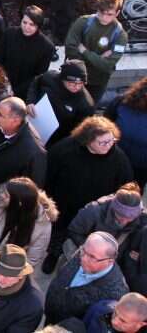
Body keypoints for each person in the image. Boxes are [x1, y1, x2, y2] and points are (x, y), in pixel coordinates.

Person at [44, 116, 133, 273]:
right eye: (103, 142)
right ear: (88, 141)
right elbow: (48, 175)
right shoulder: (65, 150)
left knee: (84, 239)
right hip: (64, 206)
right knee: (58, 233)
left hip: (94, 213)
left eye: (112, 140)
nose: (109, 145)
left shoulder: (118, 158)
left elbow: (126, 186)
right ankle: (53, 255)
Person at [0, 176, 56, 271]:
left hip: (6, 275)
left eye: (7, 195)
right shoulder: (0, 202)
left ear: (19, 203)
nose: (1, 196)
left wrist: (4, 275)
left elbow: (31, 261)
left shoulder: (43, 226)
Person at [0, 97, 47, 213]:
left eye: (0, 114)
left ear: (15, 120)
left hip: (3, 209)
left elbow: (31, 191)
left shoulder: (34, 153)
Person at [46, 231, 130, 324]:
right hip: (50, 314)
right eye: (83, 250)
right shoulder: (85, 253)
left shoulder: (116, 293)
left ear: (110, 261)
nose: (83, 259)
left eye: (92, 257)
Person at [66, 0, 127, 102]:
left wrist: (84, 51)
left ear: (117, 13)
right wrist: (98, 59)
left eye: (109, 14)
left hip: (97, 82)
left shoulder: (120, 35)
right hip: (74, 77)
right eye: (101, 12)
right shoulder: (83, 22)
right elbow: (70, 50)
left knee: (89, 110)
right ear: (97, 8)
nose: (104, 17)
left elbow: (107, 65)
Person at [0, 4, 55, 102]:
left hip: (24, 91)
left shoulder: (47, 47)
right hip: (0, 82)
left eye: (31, 24)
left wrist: (15, 92)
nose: (26, 27)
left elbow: (38, 76)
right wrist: (2, 83)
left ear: (38, 25)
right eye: (24, 22)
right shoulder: (10, 34)